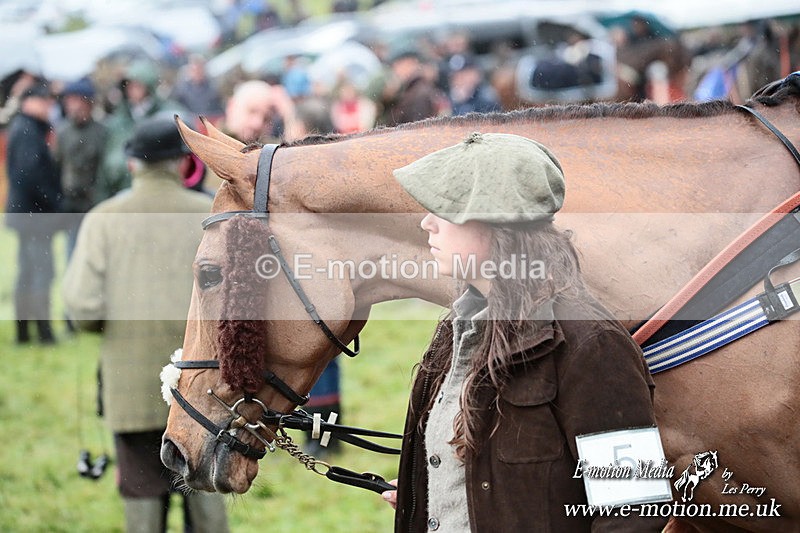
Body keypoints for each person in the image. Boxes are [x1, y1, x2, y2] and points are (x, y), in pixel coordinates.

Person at [382, 133, 667, 531]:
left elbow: (634, 509)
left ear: (500, 224)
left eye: (444, 208)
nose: (426, 222)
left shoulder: (591, 345)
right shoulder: (458, 329)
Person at [62, 116, 229, 533]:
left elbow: (82, 309)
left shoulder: (103, 218)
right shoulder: (210, 216)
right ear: (181, 163)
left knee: (140, 495)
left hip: (130, 388)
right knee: (205, 488)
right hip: (205, 390)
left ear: (133, 163)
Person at [4, 82, 61, 344]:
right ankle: (42, 333)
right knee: (39, 274)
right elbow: (31, 175)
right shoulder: (28, 130)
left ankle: (25, 333)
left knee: (28, 273)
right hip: (34, 216)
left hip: (26, 214)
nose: (49, 106)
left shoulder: (24, 128)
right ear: (29, 103)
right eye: (44, 101)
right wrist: (55, 201)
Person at [99, 60, 184, 201]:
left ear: (149, 87)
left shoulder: (168, 114)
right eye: (129, 86)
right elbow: (106, 167)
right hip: (123, 193)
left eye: (138, 86)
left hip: (161, 193)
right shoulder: (118, 120)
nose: (133, 90)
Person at [55, 77, 108, 257]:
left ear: (89, 103)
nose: (74, 106)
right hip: (71, 204)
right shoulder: (62, 132)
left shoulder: (102, 132)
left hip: (95, 204)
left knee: (96, 252)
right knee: (72, 253)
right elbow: (57, 165)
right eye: (70, 101)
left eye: (78, 100)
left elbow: (105, 169)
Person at [222, 79, 299, 144]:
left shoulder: (268, 150)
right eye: (252, 111)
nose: (257, 124)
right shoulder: (213, 144)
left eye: (266, 119)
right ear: (231, 107)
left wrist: (288, 113)